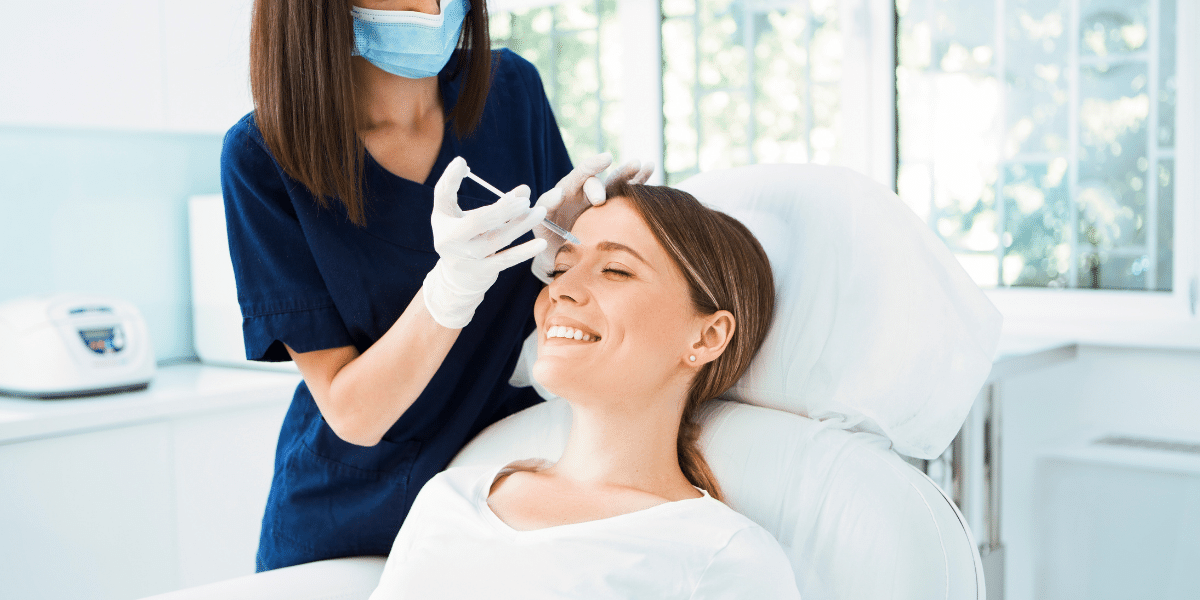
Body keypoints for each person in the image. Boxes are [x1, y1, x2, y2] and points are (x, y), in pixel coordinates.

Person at [220, 0, 651, 571]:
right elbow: (353, 415)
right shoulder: (263, 157)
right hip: (350, 515)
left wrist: (574, 249)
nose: (430, 5)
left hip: (493, 489)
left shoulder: (511, 91)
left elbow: (557, 316)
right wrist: (447, 292)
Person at [368, 182, 802, 598]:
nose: (560, 289)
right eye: (560, 267)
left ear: (707, 337)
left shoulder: (723, 555)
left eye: (615, 269)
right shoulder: (450, 497)